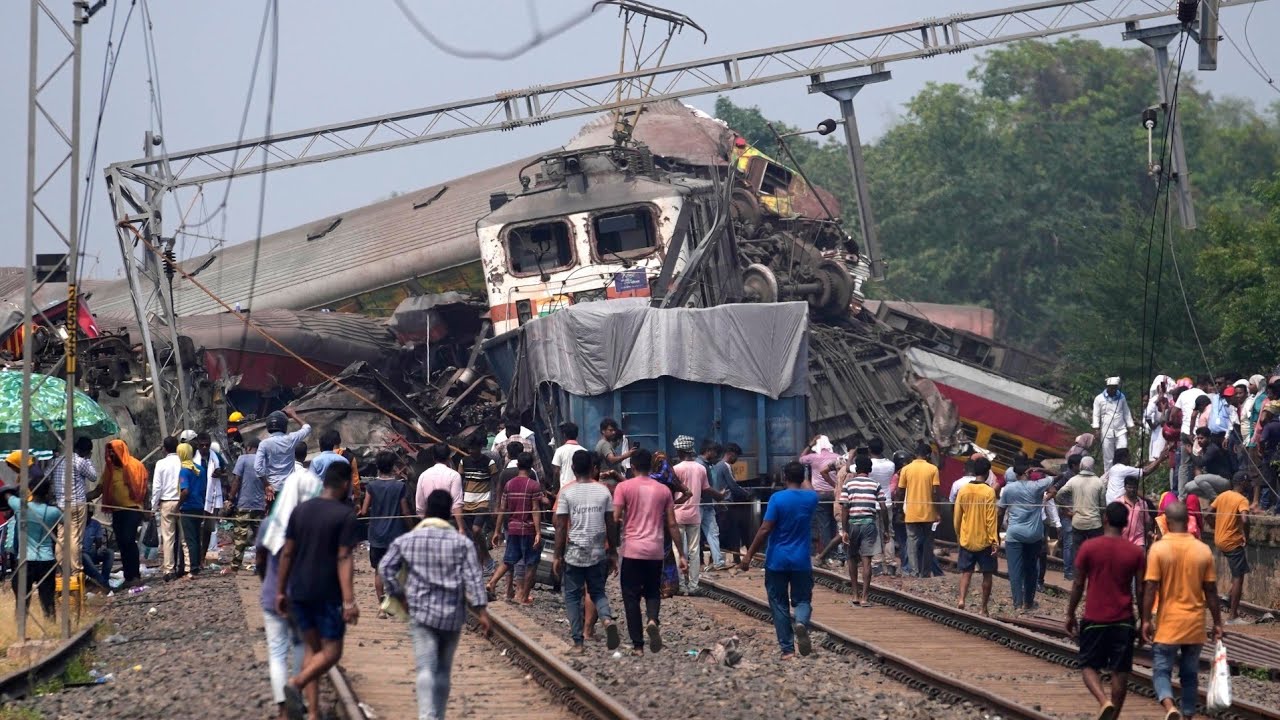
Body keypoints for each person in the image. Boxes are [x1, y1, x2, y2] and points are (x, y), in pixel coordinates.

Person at [379, 489, 491, 720]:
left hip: (420, 613)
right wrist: (481, 611)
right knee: (443, 669)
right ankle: (437, 716)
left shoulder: (408, 540)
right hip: (452, 615)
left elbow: (385, 568)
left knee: (425, 667)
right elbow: (474, 578)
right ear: (449, 513)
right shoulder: (462, 544)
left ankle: (426, 716)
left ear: (427, 511)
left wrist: (399, 595)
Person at [277, 462, 360, 720]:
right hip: (327, 594)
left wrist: (280, 591)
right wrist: (349, 601)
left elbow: (287, 552)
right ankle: (296, 683)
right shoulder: (345, 515)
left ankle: (312, 713)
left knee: (313, 651)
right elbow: (343, 558)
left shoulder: (300, 511)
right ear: (345, 484)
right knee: (332, 652)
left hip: (299, 591)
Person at [1141, 501, 1223, 720]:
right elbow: (1211, 591)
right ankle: (1188, 714)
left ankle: (1169, 707)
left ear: (1166, 521)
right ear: (1189, 520)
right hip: (1195, 625)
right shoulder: (1202, 550)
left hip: (1168, 624)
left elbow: (1150, 587)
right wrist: (1217, 623)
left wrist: (1146, 619)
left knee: (1161, 670)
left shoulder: (1159, 549)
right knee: (1190, 673)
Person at [1065, 502, 1146, 720]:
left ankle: (1103, 701)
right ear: (1126, 523)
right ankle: (1113, 715)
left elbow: (1079, 584)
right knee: (1120, 671)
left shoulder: (1089, 548)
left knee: (1088, 665)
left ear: (1105, 520)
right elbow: (1140, 588)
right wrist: (1145, 620)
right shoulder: (1135, 552)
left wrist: (1070, 613)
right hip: (1124, 619)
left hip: (1095, 617)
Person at [739, 461, 817, 658]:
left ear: (784, 477)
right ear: (802, 478)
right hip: (801, 561)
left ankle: (787, 650)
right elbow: (809, 487)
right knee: (802, 600)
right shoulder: (811, 498)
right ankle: (800, 622)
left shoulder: (777, 498)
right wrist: (803, 475)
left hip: (777, 560)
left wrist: (749, 555)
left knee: (779, 603)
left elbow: (765, 529)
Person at [613, 449, 685, 656]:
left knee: (631, 596)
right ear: (651, 467)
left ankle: (638, 646)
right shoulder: (663, 490)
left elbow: (615, 518)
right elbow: (672, 524)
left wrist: (610, 546)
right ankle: (652, 619)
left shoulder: (623, 487)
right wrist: (681, 554)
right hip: (655, 551)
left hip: (632, 551)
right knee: (653, 591)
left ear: (633, 467)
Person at [554, 449, 622, 653]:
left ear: (573, 468)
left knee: (573, 597)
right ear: (593, 468)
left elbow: (560, 526)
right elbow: (611, 523)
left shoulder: (566, 491)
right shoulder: (603, 491)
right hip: (598, 552)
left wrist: (557, 555)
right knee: (598, 592)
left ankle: (578, 642)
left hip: (574, 552)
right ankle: (607, 620)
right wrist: (613, 552)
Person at [255, 521, 305, 720]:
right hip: (302, 596)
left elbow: (260, 559)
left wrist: (267, 581)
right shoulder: (307, 523)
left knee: (277, 652)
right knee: (301, 647)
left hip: (272, 594)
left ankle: (283, 710)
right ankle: (297, 695)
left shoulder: (269, 523)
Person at [997, 456, 1057, 610]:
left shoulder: (1009, 489)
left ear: (1015, 474)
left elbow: (1000, 512)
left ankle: (1017, 603)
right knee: (1031, 569)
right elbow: (1058, 475)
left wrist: (996, 533)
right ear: (1029, 472)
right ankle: (1028, 602)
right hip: (1034, 535)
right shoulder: (1037, 486)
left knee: (1015, 570)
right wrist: (1041, 469)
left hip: (1014, 534)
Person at [360, 450, 413, 612]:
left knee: (378, 570)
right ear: (393, 467)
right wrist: (412, 528)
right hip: (396, 535)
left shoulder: (371, 486)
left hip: (376, 535)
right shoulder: (400, 486)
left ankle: (381, 606)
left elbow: (364, 511)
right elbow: (405, 511)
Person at [2, 477, 62, 618]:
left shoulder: (20, 506)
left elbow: (6, 494)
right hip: (47, 561)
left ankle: (21, 632)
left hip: (25, 561)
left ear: (31, 491)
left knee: (22, 602)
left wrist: (15, 490)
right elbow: (66, 521)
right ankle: (51, 629)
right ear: (48, 491)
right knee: (48, 602)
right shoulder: (54, 512)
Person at [488, 453, 542, 604]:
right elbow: (535, 509)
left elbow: (502, 509)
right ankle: (524, 596)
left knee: (508, 560)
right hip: (528, 529)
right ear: (531, 467)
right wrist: (538, 532)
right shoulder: (533, 485)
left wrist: (497, 530)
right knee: (531, 562)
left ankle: (491, 583)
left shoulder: (509, 484)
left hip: (512, 528)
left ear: (518, 465)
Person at [837, 455, 889, 606]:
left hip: (852, 523)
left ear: (857, 469)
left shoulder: (849, 484)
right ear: (870, 469)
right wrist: (885, 529)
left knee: (852, 558)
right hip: (869, 524)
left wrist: (845, 530)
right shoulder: (875, 484)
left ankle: (854, 594)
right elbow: (883, 507)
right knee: (867, 560)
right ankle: (865, 597)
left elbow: (845, 507)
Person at [672, 435, 721, 594]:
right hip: (695, 515)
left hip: (677, 515)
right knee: (694, 551)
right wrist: (719, 496)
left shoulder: (676, 469)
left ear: (680, 451)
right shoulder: (700, 468)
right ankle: (693, 586)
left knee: (679, 551)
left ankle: (680, 585)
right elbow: (707, 489)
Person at [953, 456, 999, 616]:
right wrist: (994, 540)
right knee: (987, 574)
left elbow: (957, 515)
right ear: (987, 473)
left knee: (966, 572)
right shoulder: (989, 492)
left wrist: (959, 533)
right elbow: (991, 519)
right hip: (985, 540)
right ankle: (983, 608)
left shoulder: (964, 490)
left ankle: (961, 599)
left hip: (967, 538)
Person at [1206, 473, 1252, 624]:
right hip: (1232, 542)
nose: (1249, 484)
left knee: (1238, 571)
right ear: (1243, 483)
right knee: (1239, 577)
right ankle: (1232, 616)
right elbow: (1245, 519)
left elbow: (1207, 514)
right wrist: (1247, 535)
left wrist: (1215, 527)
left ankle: (1227, 596)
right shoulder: (1242, 500)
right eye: (1248, 482)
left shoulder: (1223, 495)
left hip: (1219, 540)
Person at [48, 435, 96, 576]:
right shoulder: (80, 461)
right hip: (77, 504)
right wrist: (88, 460)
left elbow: (46, 477)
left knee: (61, 537)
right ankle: (76, 569)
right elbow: (93, 476)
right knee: (75, 537)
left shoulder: (56, 462)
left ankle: (61, 569)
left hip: (60, 505)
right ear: (86, 451)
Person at [102, 439, 147, 587]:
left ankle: (135, 575)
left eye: (113, 451)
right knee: (121, 543)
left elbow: (143, 487)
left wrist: (146, 508)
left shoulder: (135, 466)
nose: (111, 455)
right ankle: (128, 577)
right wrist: (85, 498)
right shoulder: (109, 470)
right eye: (109, 452)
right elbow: (101, 487)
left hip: (132, 510)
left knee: (128, 540)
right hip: (117, 511)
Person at [894, 441, 941, 578]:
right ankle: (925, 572)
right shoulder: (933, 469)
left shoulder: (906, 469)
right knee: (927, 543)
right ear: (927, 455)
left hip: (911, 512)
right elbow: (935, 493)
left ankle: (914, 571)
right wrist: (937, 512)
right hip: (929, 513)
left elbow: (900, 492)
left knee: (912, 542)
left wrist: (899, 509)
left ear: (915, 454)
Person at [226, 438, 268, 573]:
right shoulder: (264, 461)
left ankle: (235, 566)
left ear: (249, 447)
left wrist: (231, 498)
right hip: (259, 505)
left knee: (240, 537)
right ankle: (260, 566)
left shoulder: (242, 459)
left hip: (244, 504)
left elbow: (236, 480)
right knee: (259, 538)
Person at [256, 407, 312, 501]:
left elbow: (258, 468)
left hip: (273, 490)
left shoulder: (264, 444)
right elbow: (307, 428)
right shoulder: (291, 439)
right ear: (284, 425)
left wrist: (267, 485)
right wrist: (293, 415)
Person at [708, 442, 750, 563]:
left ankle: (714, 558)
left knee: (719, 532)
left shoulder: (716, 466)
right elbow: (733, 485)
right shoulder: (725, 466)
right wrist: (747, 493)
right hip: (726, 504)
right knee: (734, 532)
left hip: (717, 503)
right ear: (731, 454)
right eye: (736, 456)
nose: (737, 459)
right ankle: (735, 559)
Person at [1056, 456, 1107, 551]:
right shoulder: (1099, 482)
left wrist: (1067, 509)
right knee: (1095, 552)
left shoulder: (1073, 480)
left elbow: (1058, 495)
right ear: (1093, 466)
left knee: (1079, 553)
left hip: (1078, 523)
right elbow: (1103, 506)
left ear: (1081, 466)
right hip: (1095, 524)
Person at [152, 436, 183, 581]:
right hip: (182, 501)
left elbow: (157, 487)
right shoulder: (183, 462)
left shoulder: (160, 463)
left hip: (166, 503)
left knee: (168, 537)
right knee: (183, 537)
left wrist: (153, 506)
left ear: (164, 448)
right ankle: (187, 567)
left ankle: (169, 570)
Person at [415, 444, 464, 531]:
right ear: (449, 456)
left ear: (433, 457)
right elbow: (456, 504)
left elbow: (420, 507)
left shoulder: (423, 475)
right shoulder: (454, 475)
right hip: (449, 522)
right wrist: (461, 528)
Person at [177, 442, 208, 578]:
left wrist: (178, 506)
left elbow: (185, 491)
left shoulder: (184, 470)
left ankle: (194, 568)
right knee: (197, 537)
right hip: (199, 506)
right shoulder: (200, 469)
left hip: (187, 508)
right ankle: (197, 564)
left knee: (190, 539)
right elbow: (203, 489)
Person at [1092, 377, 1134, 471]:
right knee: (1108, 457)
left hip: (1121, 429)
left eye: (1115, 387)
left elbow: (1126, 412)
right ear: (1107, 387)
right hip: (1106, 431)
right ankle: (1108, 476)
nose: (1113, 390)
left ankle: (1122, 472)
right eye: (1111, 388)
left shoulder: (1121, 397)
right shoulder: (1099, 399)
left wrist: (1131, 425)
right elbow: (1096, 415)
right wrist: (1096, 429)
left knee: (1123, 451)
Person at [1184, 428, 1233, 502]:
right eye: (1198, 438)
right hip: (1212, 480)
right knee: (1188, 487)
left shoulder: (1212, 448)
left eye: (1202, 438)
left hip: (1224, 480)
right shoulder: (1205, 448)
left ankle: (1215, 500)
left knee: (1198, 479)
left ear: (1208, 438)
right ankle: (1217, 497)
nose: (1199, 440)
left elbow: (1200, 463)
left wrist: (1191, 453)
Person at [1120, 475, 1156, 549]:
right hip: (1122, 539)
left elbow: (1147, 522)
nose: (1132, 490)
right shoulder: (1118, 503)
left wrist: (1150, 535)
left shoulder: (1143, 503)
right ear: (1125, 487)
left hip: (1139, 539)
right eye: (1129, 487)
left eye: (1134, 487)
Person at [81, 516, 113, 589]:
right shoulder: (76, 523)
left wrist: (100, 548)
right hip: (79, 554)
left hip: (90, 551)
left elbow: (99, 541)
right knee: (84, 555)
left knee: (109, 553)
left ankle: (105, 578)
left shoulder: (95, 524)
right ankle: (102, 582)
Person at [550, 421, 583, 492]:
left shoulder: (559, 451)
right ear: (577, 435)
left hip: (565, 490)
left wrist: (554, 489)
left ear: (564, 435)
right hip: (580, 490)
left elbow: (556, 472)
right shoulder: (584, 451)